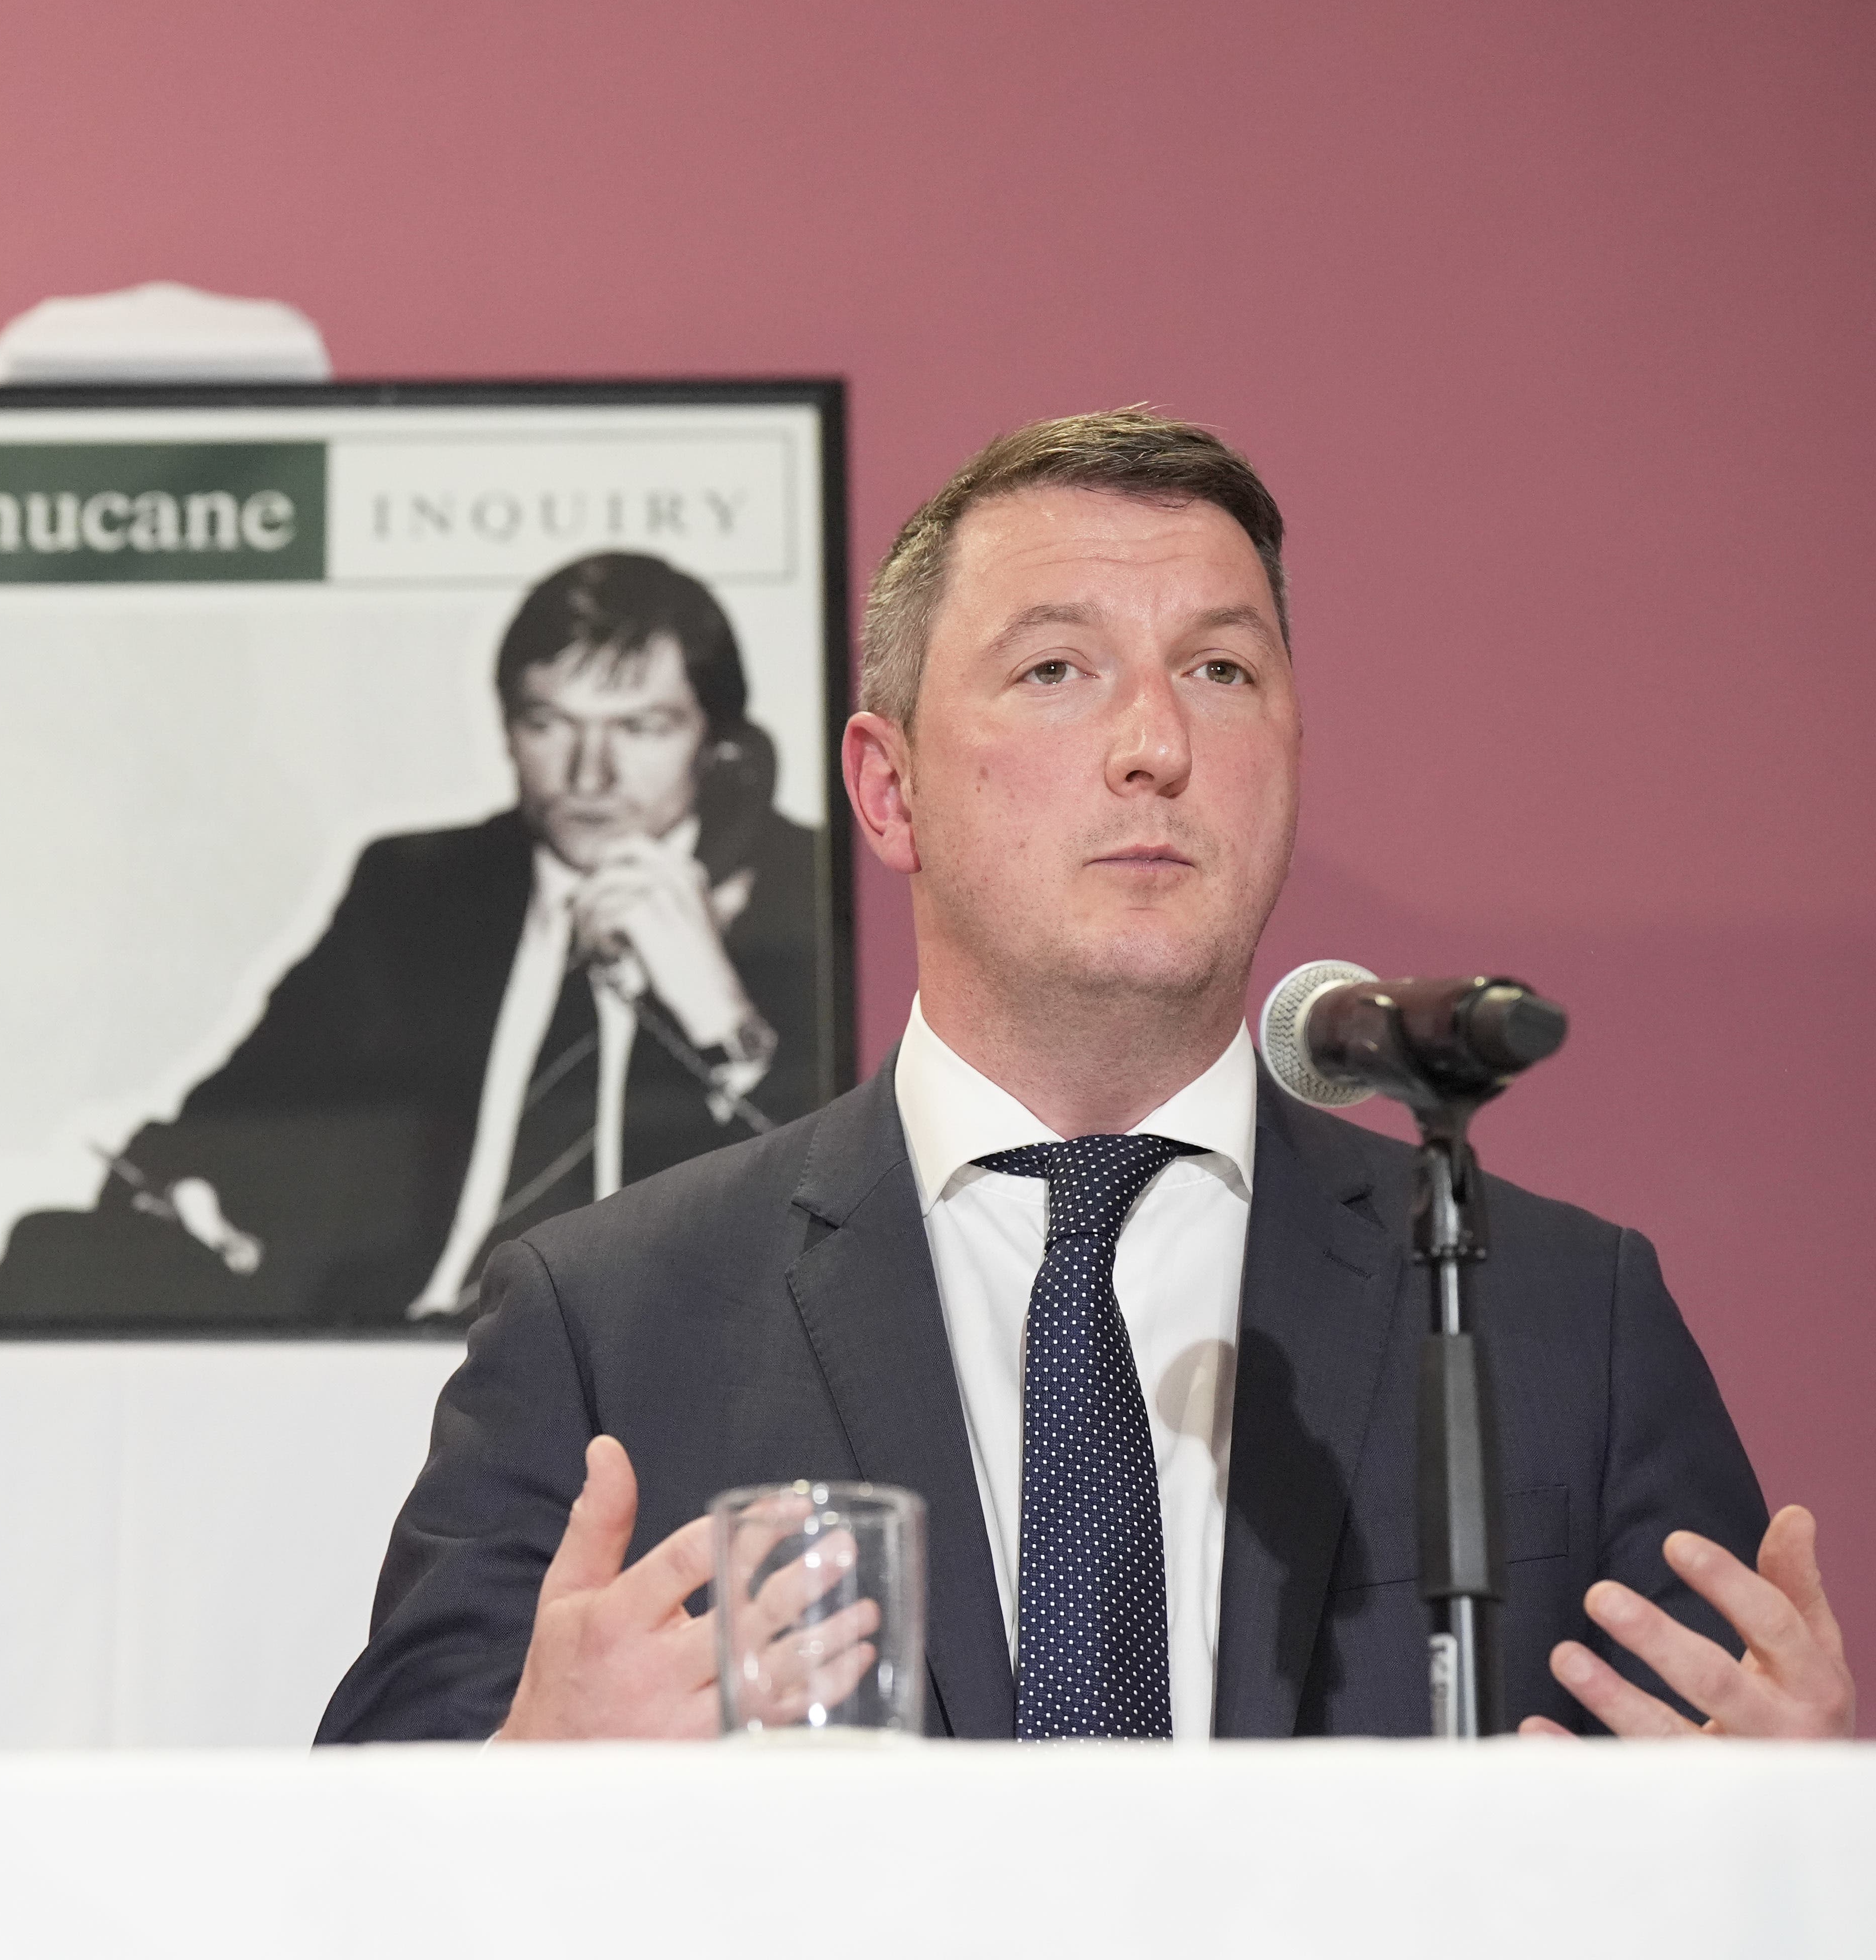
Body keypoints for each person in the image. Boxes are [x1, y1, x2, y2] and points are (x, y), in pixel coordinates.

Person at [319, 410, 1854, 1743]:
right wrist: (525, 1784)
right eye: (1058, 668)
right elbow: (350, 1880)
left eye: (1222, 672)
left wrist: (1798, 1839)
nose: (1155, 744)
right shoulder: (612, 1327)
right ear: (888, 784)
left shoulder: (1551, 1321)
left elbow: (1708, 1852)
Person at [0, 550, 831, 1327]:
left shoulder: (801, 886)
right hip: (411, 1354)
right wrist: (194, 1182)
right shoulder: (418, 889)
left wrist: (726, 1023)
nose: (589, 774)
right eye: (550, 724)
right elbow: (237, 1114)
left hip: (658, 1357)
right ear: (507, 732)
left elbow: (852, 1226)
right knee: (46, 1264)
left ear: (717, 748)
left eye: (640, 729)